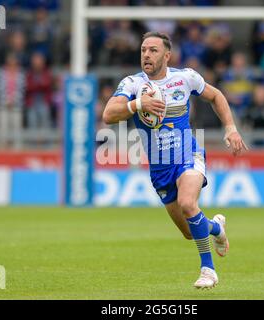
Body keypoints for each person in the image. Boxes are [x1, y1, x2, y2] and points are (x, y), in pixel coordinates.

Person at [103, 32, 247, 289]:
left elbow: (216, 96)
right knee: (190, 232)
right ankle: (216, 228)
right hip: (159, 166)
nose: (146, 54)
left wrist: (230, 128)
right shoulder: (133, 84)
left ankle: (208, 270)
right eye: (144, 49)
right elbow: (108, 115)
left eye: (153, 50)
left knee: (188, 203)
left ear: (167, 55)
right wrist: (138, 104)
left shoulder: (185, 77)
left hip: (187, 154)